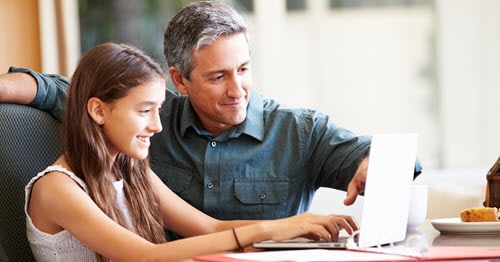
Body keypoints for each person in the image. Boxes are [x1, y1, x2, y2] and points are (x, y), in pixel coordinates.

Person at [2, 1, 421, 237]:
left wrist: (375, 163)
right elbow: (57, 89)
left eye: (243, 69)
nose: (237, 89)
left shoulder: (300, 131)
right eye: (218, 76)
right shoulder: (145, 119)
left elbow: (388, 159)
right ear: (180, 81)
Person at [25, 42, 358, 261]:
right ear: (98, 111)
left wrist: (300, 231)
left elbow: (211, 229)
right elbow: (146, 256)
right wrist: (271, 230)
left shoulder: (131, 171)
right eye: (144, 111)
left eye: (158, 110)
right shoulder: (57, 188)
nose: (157, 125)